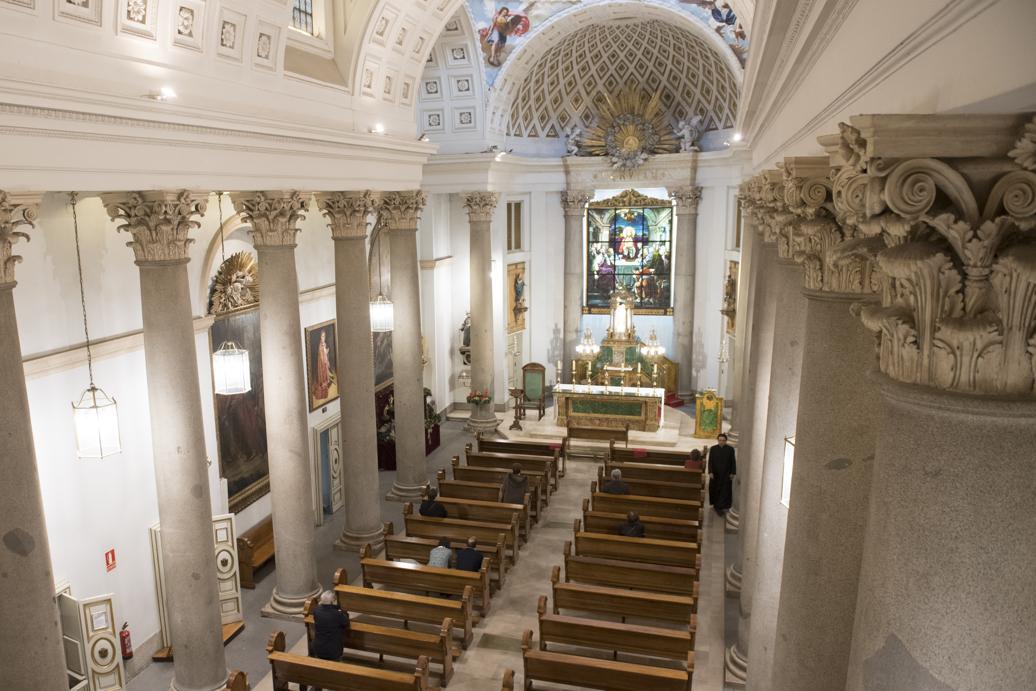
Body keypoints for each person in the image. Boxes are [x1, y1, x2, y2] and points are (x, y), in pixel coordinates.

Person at [308, 589, 350, 662]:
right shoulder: (337, 614)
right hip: (333, 650)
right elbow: (346, 623)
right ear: (332, 602)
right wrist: (343, 613)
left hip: (318, 647)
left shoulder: (316, 611)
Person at [708, 433, 737, 516]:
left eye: (723, 441)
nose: (721, 442)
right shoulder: (713, 449)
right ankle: (717, 506)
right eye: (720, 440)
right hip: (715, 474)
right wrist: (710, 472)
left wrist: (732, 472)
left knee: (725, 490)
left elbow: (733, 462)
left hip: (726, 474)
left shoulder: (730, 449)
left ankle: (723, 505)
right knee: (716, 489)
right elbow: (710, 461)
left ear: (726, 441)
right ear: (718, 440)